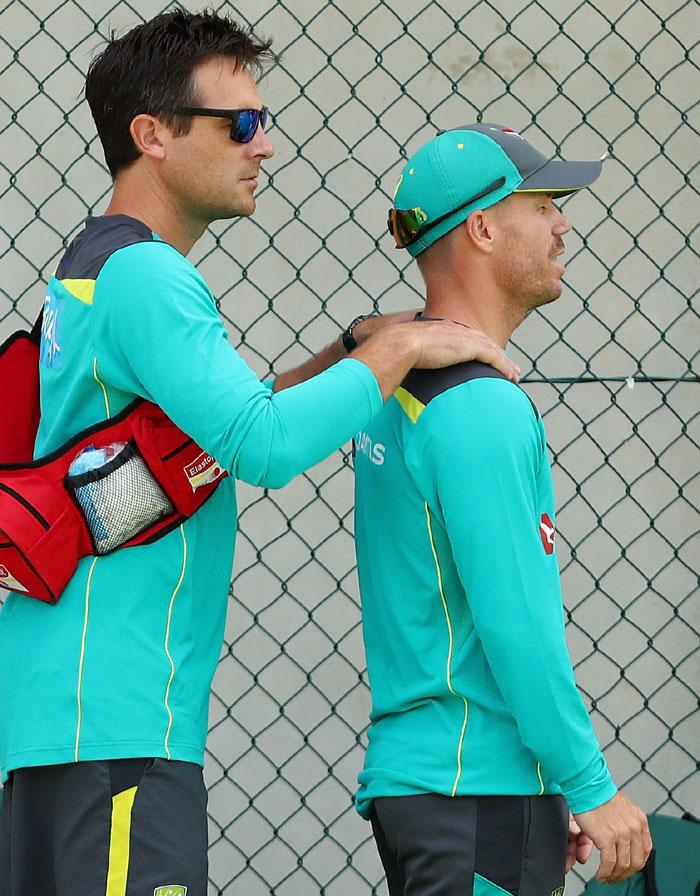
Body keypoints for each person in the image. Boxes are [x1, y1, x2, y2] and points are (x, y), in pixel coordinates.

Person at [0, 11, 520, 896]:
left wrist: (348, 345)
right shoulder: (151, 277)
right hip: (116, 730)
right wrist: (397, 352)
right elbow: (262, 445)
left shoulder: (96, 269)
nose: (263, 145)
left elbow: (212, 426)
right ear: (152, 135)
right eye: (239, 123)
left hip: (75, 720)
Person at [352, 122, 653, 895]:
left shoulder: (395, 386)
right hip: (472, 788)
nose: (563, 223)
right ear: (482, 228)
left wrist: (545, 793)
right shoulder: (479, 405)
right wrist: (588, 786)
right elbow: (517, 623)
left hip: (440, 787)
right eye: (545, 203)